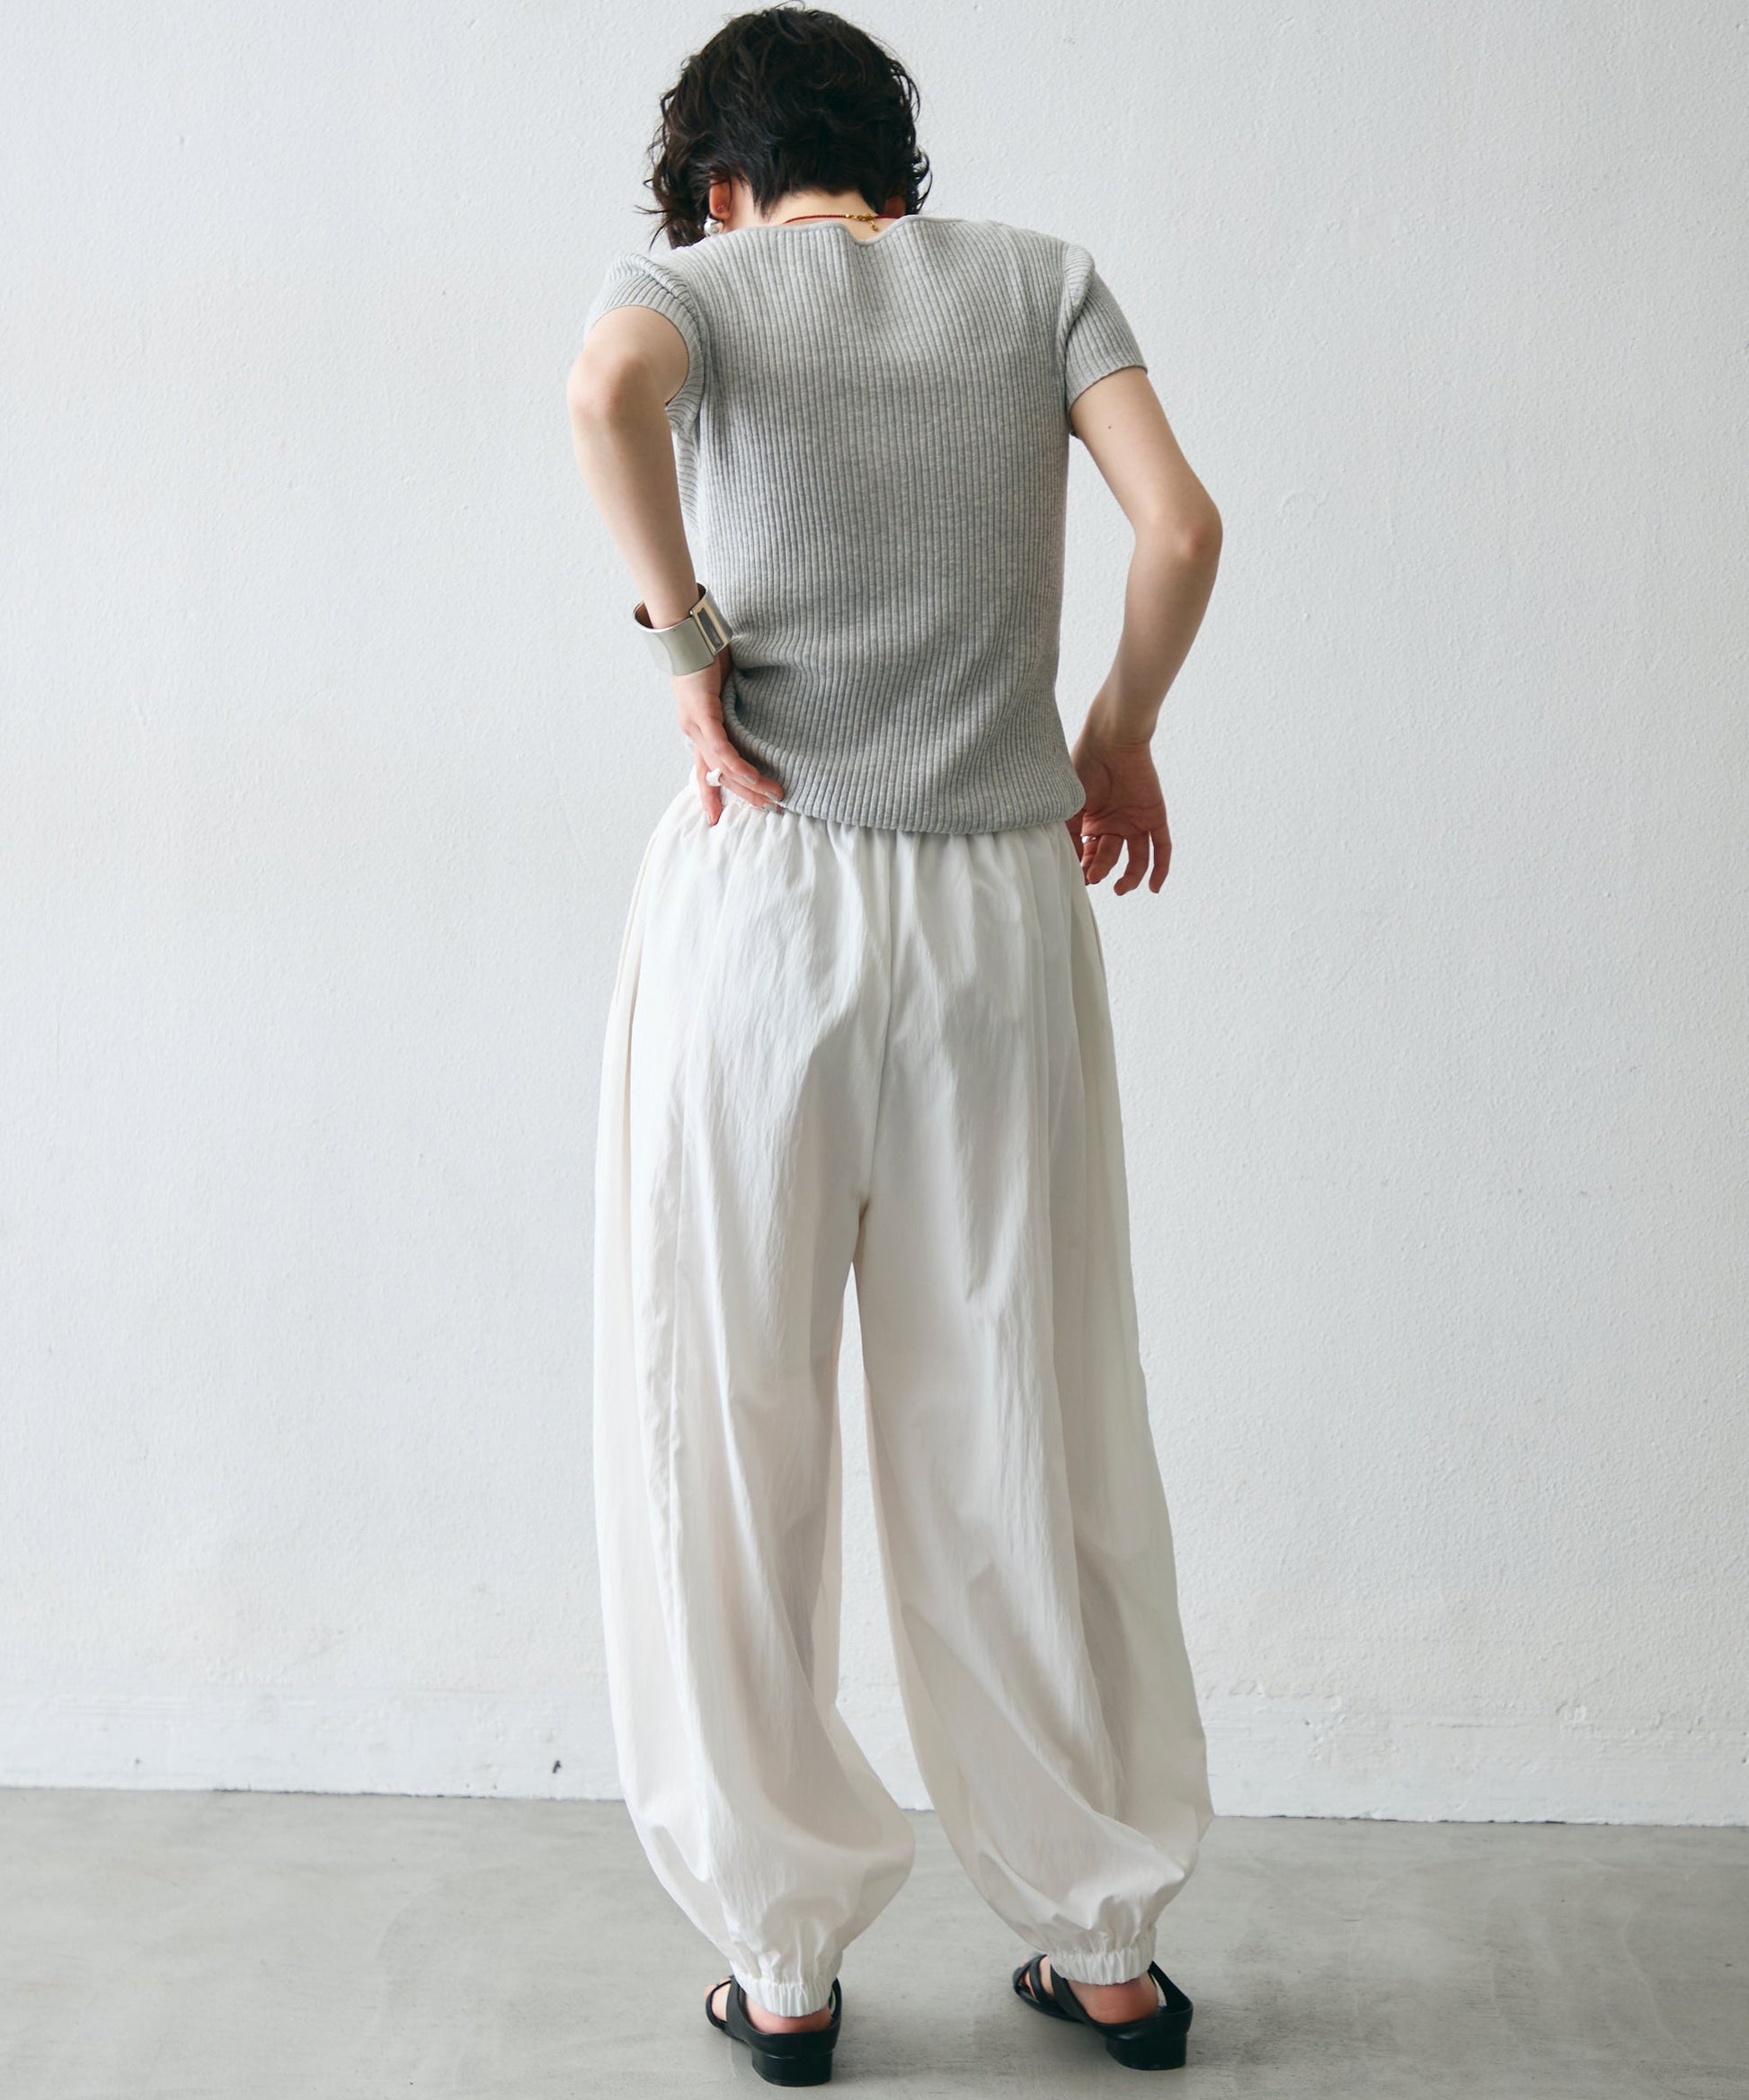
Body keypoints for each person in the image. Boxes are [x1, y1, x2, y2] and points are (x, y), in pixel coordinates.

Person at [568, 6, 1221, 2082]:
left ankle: (781, 1962)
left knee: (724, 1412)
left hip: (760, 894)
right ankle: (1102, 1942)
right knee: (1021, 1412)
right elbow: (1182, 530)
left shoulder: (697, 288)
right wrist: (1114, 732)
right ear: (887, 156)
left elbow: (600, 392)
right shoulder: (1039, 283)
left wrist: (686, 653)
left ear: (720, 179)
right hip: (997, 912)